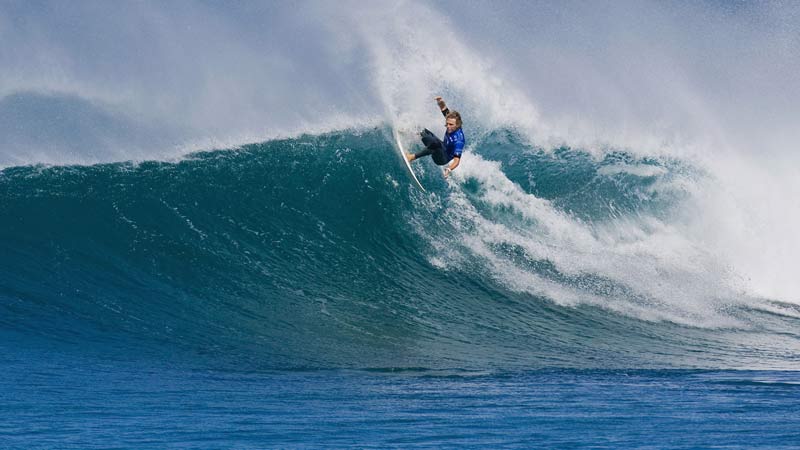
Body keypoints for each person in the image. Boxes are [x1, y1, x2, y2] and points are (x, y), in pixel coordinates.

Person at [406, 96, 465, 178]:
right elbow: (444, 108)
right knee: (422, 130)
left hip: (442, 159)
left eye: (451, 124)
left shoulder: (459, 140)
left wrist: (449, 169)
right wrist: (440, 101)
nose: (448, 126)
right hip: (441, 147)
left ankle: (411, 157)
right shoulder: (451, 121)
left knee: (436, 144)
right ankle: (407, 133)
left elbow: (457, 160)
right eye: (447, 123)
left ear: (457, 125)